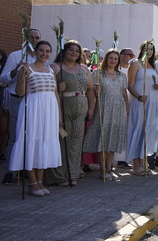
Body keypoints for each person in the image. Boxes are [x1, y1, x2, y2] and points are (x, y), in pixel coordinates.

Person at [9, 41, 62, 196]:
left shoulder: (50, 70)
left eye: (47, 51)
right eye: (41, 50)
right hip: (33, 110)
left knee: (44, 143)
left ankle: (40, 181)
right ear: (35, 52)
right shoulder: (27, 68)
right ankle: (32, 183)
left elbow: (55, 93)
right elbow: (20, 92)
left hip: (49, 111)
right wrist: (22, 74)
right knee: (32, 142)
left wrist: (58, 114)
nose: (44, 54)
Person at [44, 40, 95, 186]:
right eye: (71, 50)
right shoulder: (55, 67)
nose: (74, 53)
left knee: (77, 141)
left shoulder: (84, 68)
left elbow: (90, 89)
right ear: (64, 51)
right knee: (62, 140)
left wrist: (91, 109)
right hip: (64, 105)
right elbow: (48, 89)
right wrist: (57, 88)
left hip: (82, 106)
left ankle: (73, 172)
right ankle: (59, 175)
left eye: (77, 51)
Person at [0, 28, 41, 184]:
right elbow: (3, 79)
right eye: (32, 37)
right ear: (25, 39)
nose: (34, 40)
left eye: (37, 38)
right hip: (18, 99)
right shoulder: (15, 56)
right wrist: (16, 70)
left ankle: (27, 168)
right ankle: (11, 171)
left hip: (35, 101)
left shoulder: (41, 57)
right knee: (16, 135)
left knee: (31, 136)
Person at [82, 49, 129, 180]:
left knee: (113, 139)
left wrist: (127, 109)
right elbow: (92, 92)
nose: (113, 61)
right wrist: (96, 91)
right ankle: (103, 170)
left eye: (115, 58)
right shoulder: (98, 73)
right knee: (103, 139)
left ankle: (110, 168)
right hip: (104, 108)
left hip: (118, 109)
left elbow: (124, 93)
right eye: (110, 58)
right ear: (107, 59)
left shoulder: (121, 76)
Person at [126, 41, 158, 175]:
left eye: (152, 49)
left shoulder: (153, 66)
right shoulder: (135, 63)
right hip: (140, 101)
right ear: (141, 49)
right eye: (147, 49)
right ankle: (135, 165)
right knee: (138, 129)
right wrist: (139, 96)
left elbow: (155, 83)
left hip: (152, 102)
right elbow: (130, 84)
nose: (150, 51)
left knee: (148, 130)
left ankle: (144, 160)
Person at [115, 47, 135, 169]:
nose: (133, 57)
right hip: (117, 103)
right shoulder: (117, 70)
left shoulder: (133, 69)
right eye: (130, 55)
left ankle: (123, 159)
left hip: (130, 103)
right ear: (122, 56)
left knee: (126, 131)